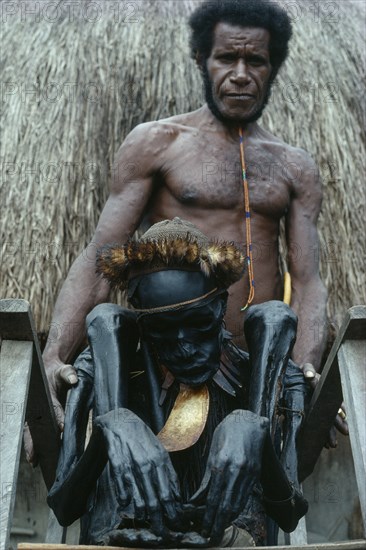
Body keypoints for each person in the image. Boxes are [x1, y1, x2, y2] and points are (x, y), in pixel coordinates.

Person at [26, 0, 347, 463]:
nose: (240, 73)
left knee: (246, 507)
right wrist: (54, 357)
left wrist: (302, 370)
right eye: (226, 58)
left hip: (253, 370)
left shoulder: (293, 167)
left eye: (255, 60)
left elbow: (309, 281)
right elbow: (102, 257)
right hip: (161, 365)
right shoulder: (157, 142)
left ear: (272, 65)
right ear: (202, 59)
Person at [47, 218, 308, 547]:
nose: (184, 347)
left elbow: (290, 512)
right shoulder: (100, 367)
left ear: (221, 306)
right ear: (141, 323)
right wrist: (109, 428)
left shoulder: (269, 371)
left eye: (199, 323)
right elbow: (64, 507)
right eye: (163, 330)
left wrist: (255, 431)